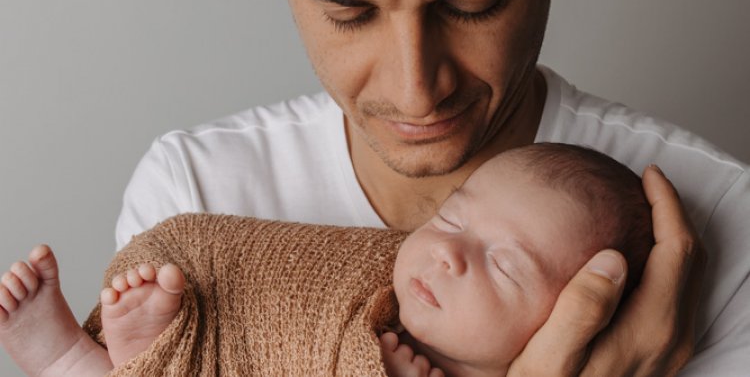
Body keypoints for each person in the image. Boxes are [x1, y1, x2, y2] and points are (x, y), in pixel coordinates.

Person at [110, 0, 749, 375]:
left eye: (473, 4)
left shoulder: (727, 234)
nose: (415, 92)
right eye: (347, 12)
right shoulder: (194, 195)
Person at [0, 143, 654, 376]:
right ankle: (95, 359)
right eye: (451, 217)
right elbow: (299, 317)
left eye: (505, 265)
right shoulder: (379, 293)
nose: (450, 253)